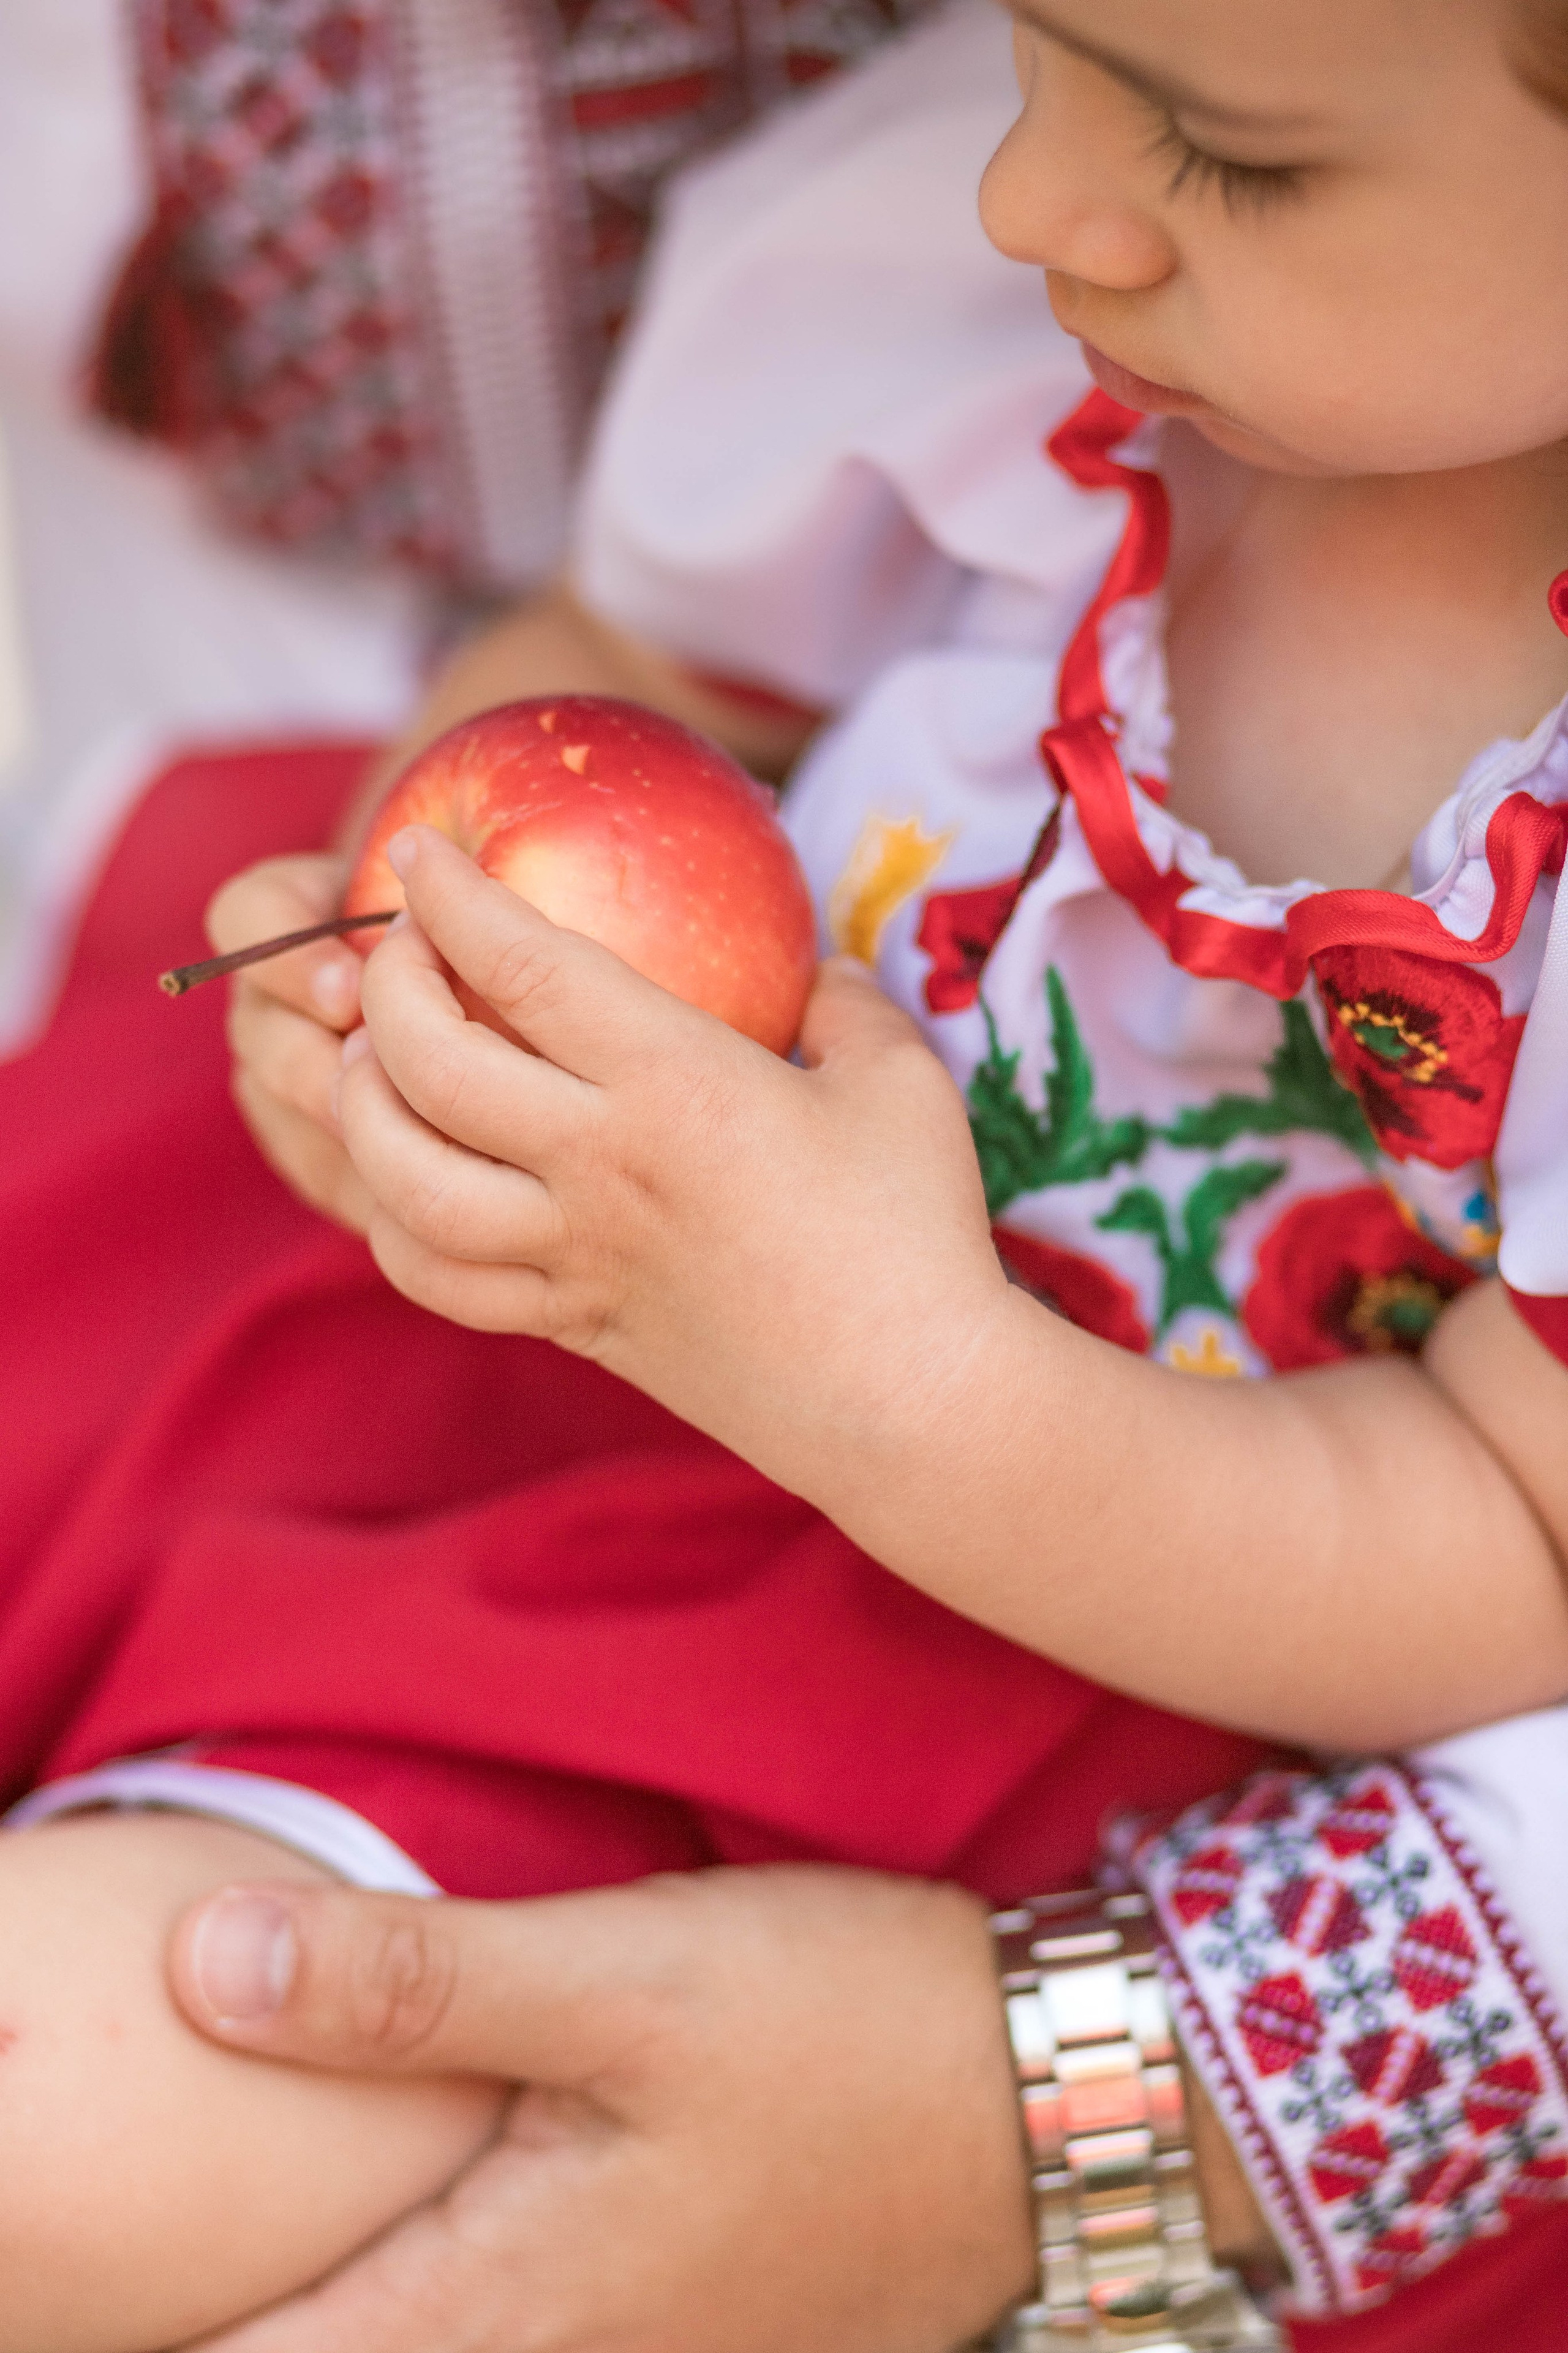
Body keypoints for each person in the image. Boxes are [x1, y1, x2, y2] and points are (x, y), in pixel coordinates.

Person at [1, 2, 1566, 2349]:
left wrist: (901, 1384)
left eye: (1232, 154)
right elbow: (626, 664)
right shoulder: (966, 315)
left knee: (76, 2131)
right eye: (1042, 37)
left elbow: (1518, 1537)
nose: (1037, 192)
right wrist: (416, 976)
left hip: (1026, 1658)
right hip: (495, 1361)